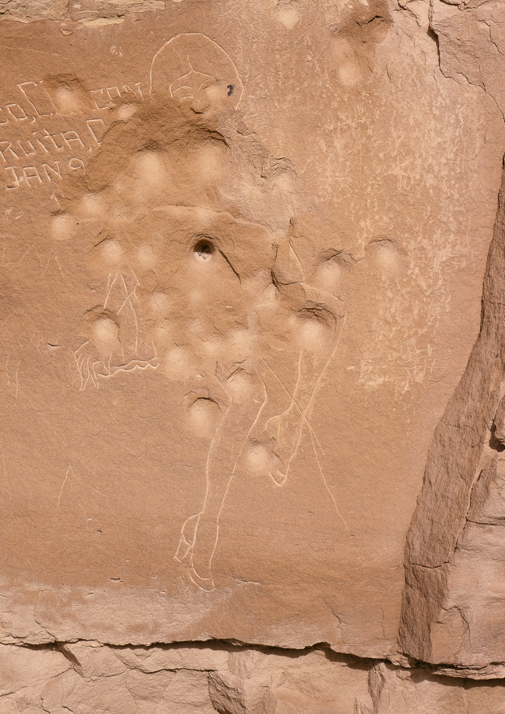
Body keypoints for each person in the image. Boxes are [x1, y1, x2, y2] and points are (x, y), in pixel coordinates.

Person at [59, 35, 346, 589]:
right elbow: (121, 230)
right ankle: (211, 519)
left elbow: (114, 222)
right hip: (199, 297)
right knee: (257, 386)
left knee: (276, 368)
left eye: (222, 86)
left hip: (212, 291)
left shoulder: (168, 139)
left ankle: (220, 506)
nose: (219, 96)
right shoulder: (180, 141)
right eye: (214, 85)